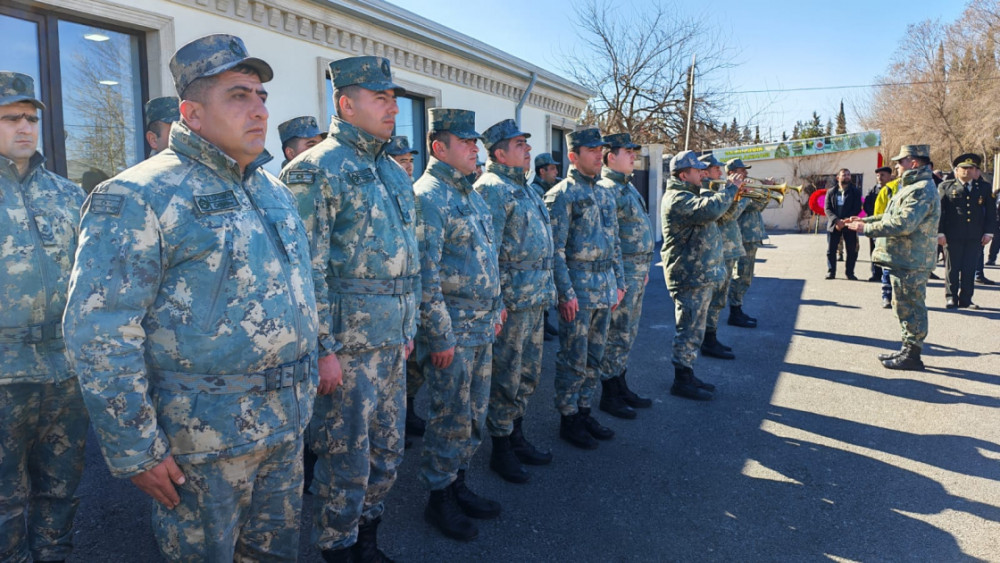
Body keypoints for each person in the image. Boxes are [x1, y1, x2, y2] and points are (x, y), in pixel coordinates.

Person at [63, 34, 322, 561]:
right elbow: (100, 332)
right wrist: (136, 448)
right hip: (203, 443)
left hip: (285, 426)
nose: (259, 109)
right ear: (193, 114)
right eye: (238, 96)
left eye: (261, 95)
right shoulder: (139, 195)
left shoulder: (272, 191)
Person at [279, 56, 419, 562]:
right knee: (345, 459)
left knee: (387, 453)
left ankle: (367, 539)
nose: (393, 109)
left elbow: (409, 258)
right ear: (346, 103)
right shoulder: (314, 170)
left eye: (394, 99)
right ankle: (337, 547)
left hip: (391, 342)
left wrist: (408, 325)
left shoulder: (392, 172)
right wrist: (322, 349)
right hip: (347, 349)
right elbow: (304, 270)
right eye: (381, 99)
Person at [0, 70, 89, 563]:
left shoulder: (67, 195)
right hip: (4, 373)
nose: (24, 127)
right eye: (10, 117)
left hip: (62, 371)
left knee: (61, 487)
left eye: (31, 118)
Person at [413, 108, 503, 541]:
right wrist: (439, 335)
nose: (474, 149)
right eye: (465, 142)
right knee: (449, 415)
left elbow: (487, 257)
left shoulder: (470, 194)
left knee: (474, 414)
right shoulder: (428, 197)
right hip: (453, 330)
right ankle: (439, 497)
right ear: (439, 147)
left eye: (475, 143)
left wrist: (498, 305)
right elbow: (424, 276)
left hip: (481, 326)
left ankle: (458, 482)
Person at [473, 119, 556, 484]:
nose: (527, 149)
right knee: (505, 376)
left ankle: (516, 434)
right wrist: (497, 302)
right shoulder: (492, 189)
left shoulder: (525, 189)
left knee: (527, 374)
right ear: (499, 153)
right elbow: (486, 252)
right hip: (511, 302)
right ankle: (501, 446)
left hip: (533, 299)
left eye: (526, 143)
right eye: (519, 144)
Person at [544, 127, 624, 448]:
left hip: (604, 287)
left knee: (596, 356)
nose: (598, 155)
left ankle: (585, 409)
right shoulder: (561, 194)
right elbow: (555, 251)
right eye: (591, 150)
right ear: (573, 156)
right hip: (578, 290)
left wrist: (619, 283)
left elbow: (614, 242)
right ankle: (569, 417)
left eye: (600, 150)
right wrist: (565, 293)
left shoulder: (604, 192)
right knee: (573, 358)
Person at [845, 144, 941, 370]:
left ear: (913, 163)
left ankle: (913, 355)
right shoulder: (911, 186)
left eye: (900, 162)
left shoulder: (921, 189)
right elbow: (890, 216)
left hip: (912, 259)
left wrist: (866, 229)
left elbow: (904, 224)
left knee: (912, 307)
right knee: (903, 306)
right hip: (904, 258)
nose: (896, 166)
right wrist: (865, 221)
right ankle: (907, 349)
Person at [661, 151, 741, 400]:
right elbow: (711, 209)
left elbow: (721, 215)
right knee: (687, 329)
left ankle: (688, 373)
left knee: (694, 330)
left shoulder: (692, 195)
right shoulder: (677, 198)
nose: (702, 174)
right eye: (697, 171)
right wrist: (730, 189)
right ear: (683, 175)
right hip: (688, 275)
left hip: (699, 274)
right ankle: (681, 380)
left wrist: (734, 196)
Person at [597, 133, 655, 419]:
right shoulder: (607, 189)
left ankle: (621, 384)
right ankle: (610, 393)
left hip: (636, 272)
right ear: (611, 157)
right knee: (616, 333)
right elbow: (609, 241)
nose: (634, 156)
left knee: (627, 333)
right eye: (628, 152)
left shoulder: (626, 186)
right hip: (622, 275)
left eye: (634, 152)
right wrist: (618, 280)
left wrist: (643, 269)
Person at [384, 134, 428, 444]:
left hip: (414, 290)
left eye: (411, 161)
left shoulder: (411, 194)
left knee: (412, 366)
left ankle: (407, 412)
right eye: (402, 161)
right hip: (392, 300)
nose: (409, 167)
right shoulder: (386, 194)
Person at [699, 153, 744, 360]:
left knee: (719, 299)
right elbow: (724, 216)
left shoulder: (718, 191)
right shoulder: (705, 193)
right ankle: (707, 340)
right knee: (713, 299)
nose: (721, 172)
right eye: (717, 169)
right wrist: (734, 193)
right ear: (706, 172)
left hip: (725, 249)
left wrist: (737, 195)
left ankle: (711, 337)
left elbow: (729, 214)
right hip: (717, 252)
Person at [938, 153, 996, 309]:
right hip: (952, 235)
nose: (967, 171)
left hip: (974, 235)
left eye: (971, 168)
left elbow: (991, 212)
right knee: (952, 268)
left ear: (975, 170)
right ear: (956, 170)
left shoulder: (983, 187)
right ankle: (951, 297)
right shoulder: (946, 187)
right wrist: (940, 232)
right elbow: (940, 211)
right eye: (964, 168)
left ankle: (966, 299)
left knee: (969, 268)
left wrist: (989, 233)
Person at [727, 158, 766, 328]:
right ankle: (734, 312)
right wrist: (760, 190)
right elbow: (750, 206)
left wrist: (764, 190)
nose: (746, 173)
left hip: (750, 237)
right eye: (742, 170)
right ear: (732, 172)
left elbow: (759, 205)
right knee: (741, 276)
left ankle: (738, 309)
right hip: (742, 237)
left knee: (747, 276)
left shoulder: (743, 189)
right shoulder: (732, 190)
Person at [825, 168, 863, 280]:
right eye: (844, 175)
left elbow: (857, 208)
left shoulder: (855, 192)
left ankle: (850, 273)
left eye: (848, 175)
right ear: (838, 177)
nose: (847, 177)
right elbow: (827, 209)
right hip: (834, 225)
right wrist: (837, 221)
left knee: (851, 250)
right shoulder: (831, 192)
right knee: (831, 250)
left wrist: (845, 221)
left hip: (849, 225)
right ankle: (831, 272)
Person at [873, 166, 902, 308]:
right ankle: (886, 296)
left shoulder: (919, 189)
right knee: (887, 267)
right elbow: (878, 213)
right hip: (889, 234)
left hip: (908, 237)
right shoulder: (888, 190)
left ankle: (902, 299)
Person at [864, 166, 893, 281]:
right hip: (875, 224)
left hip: (890, 224)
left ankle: (889, 274)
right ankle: (876, 273)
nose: (880, 178)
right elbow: (867, 206)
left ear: (889, 176)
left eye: (882, 175)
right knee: (875, 249)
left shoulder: (893, 189)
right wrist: (874, 218)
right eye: (878, 175)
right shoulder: (872, 191)